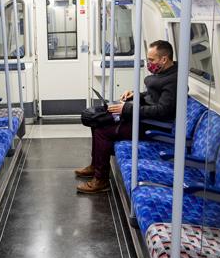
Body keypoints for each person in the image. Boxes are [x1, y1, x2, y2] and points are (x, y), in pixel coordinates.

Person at [75, 40, 177, 194]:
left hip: (152, 126)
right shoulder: (162, 73)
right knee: (97, 122)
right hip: (142, 117)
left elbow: (162, 111)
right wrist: (135, 94)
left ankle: (101, 180)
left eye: (151, 60)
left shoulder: (173, 80)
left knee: (103, 131)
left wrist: (127, 108)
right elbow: (153, 96)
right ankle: (96, 165)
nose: (149, 64)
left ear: (164, 59)